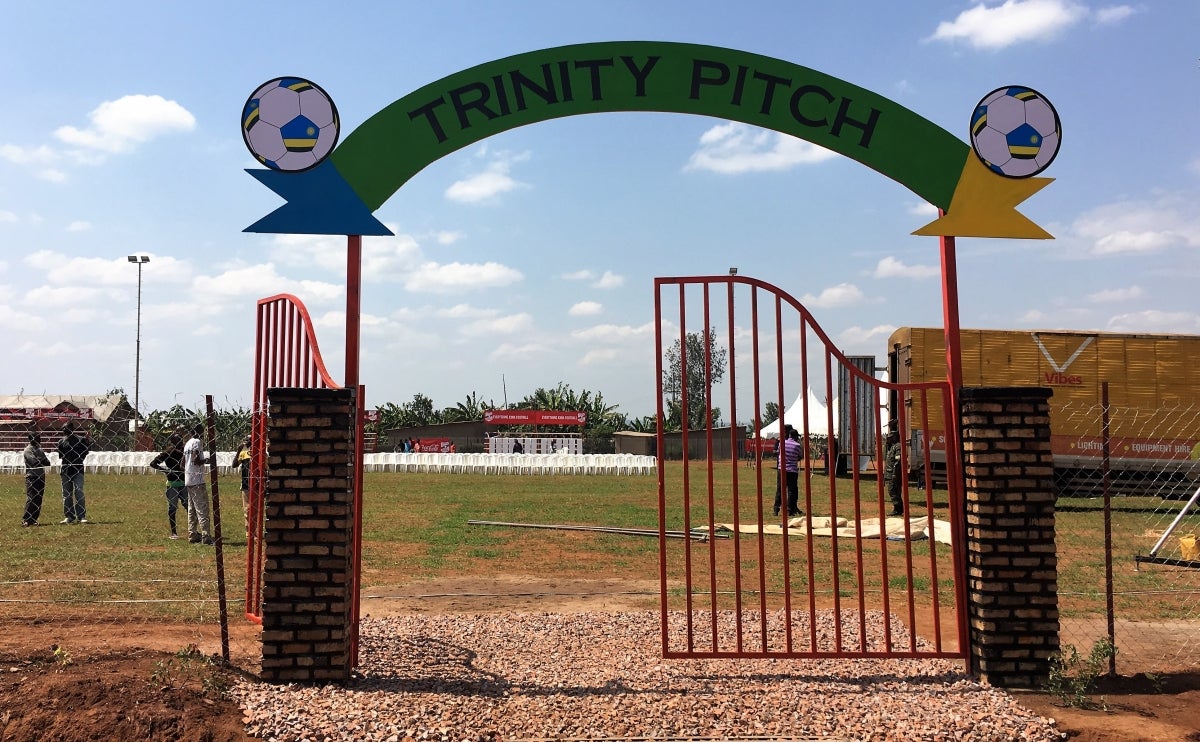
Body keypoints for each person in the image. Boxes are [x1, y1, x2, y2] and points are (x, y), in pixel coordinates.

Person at [149, 433, 187, 539]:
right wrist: (166, 471)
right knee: (172, 508)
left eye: (181, 440)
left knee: (189, 507)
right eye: (178, 440)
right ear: (173, 442)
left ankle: (192, 530)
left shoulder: (185, 451)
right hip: (172, 483)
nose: (181, 442)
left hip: (185, 482)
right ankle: (174, 532)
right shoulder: (168, 452)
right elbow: (153, 463)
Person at [56, 421, 93, 524]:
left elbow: (86, 451)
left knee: (79, 491)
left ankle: (81, 516)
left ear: (72, 429)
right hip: (66, 470)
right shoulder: (61, 442)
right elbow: (61, 456)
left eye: (66, 428)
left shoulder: (80, 440)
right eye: (63, 428)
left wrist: (78, 460)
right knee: (66, 494)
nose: (64, 430)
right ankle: (69, 516)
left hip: (78, 470)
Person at [183, 424, 214, 545]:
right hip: (197, 480)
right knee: (202, 508)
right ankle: (206, 535)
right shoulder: (197, 442)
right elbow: (196, 460)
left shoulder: (187, 444)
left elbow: (182, 463)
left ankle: (192, 533)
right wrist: (207, 460)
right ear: (199, 431)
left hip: (188, 478)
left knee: (192, 509)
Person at [21, 432, 52, 527]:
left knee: (38, 499)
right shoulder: (27, 450)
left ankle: (34, 519)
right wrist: (41, 460)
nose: (40, 440)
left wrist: (40, 460)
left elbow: (47, 463)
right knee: (31, 498)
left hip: (41, 477)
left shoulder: (39, 449)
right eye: (38, 438)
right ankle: (26, 519)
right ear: (31, 439)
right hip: (32, 477)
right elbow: (34, 462)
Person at [772, 425, 803, 517]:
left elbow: (778, 452)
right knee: (792, 490)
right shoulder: (797, 445)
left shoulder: (781, 442)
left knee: (780, 489)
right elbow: (800, 456)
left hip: (781, 469)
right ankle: (790, 510)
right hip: (792, 470)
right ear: (796, 436)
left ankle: (776, 509)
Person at [884, 429, 904, 517]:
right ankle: (898, 509)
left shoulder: (898, 446)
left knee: (893, 490)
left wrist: (894, 473)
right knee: (893, 490)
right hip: (890, 472)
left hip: (894, 473)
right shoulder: (892, 446)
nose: (888, 439)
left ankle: (898, 509)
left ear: (895, 437)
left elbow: (897, 461)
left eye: (890, 438)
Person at [235, 435, 252, 536]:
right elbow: (234, 465)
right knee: (247, 510)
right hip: (246, 484)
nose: (247, 442)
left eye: (249, 440)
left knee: (255, 509)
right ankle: (249, 532)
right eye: (246, 440)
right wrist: (238, 451)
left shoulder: (260, 452)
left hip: (257, 485)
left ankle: (254, 530)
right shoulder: (244, 453)